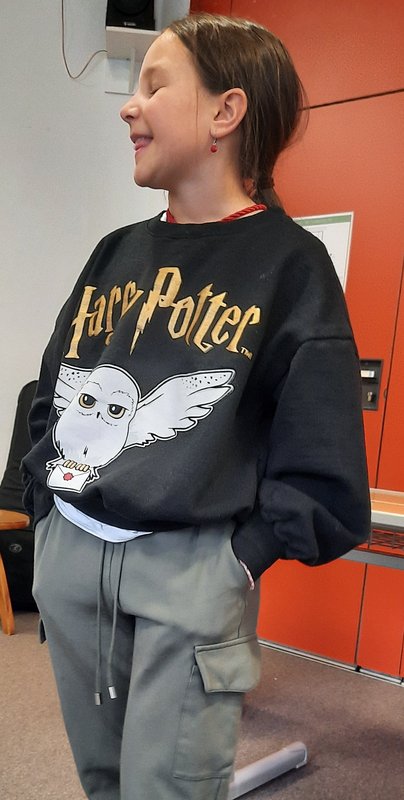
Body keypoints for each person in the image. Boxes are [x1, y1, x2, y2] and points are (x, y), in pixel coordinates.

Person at [22, 12, 370, 800]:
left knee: (169, 790)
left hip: (188, 569)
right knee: (104, 784)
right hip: (71, 553)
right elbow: (52, 388)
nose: (129, 106)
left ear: (225, 111)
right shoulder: (115, 252)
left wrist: (236, 562)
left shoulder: (293, 265)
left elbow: (322, 458)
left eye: (154, 85)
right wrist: (45, 514)